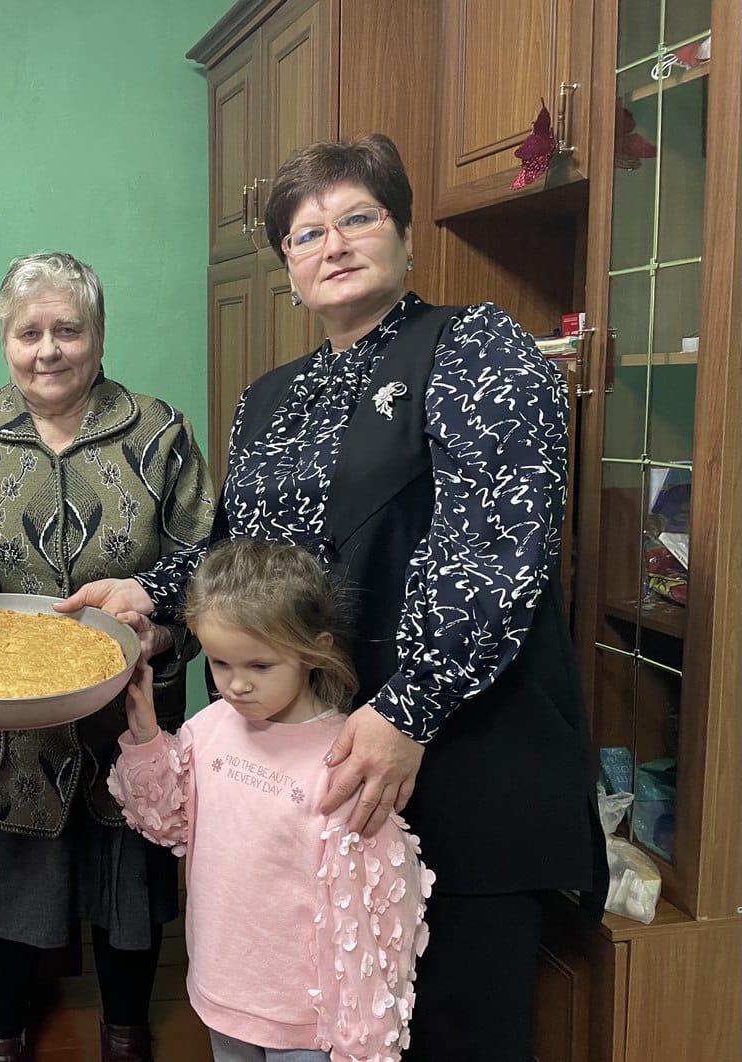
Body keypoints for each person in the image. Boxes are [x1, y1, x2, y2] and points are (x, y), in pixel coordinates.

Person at [60, 135, 606, 1062]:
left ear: (404, 236)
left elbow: (495, 551)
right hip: (316, 765)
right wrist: (151, 593)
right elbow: (242, 556)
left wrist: (408, 710)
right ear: (288, 267)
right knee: (325, 1017)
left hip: (454, 755)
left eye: (358, 218)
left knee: (453, 1029)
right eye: (306, 233)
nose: (334, 244)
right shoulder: (273, 397)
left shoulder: (477, 347)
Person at [0, 251, 215, 1062]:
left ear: (98, 335)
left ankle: (127, 1032)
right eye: (28, 333)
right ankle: (0, 1038)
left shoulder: (158, 431)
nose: (48, 350)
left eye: (68, 330)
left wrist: (166, 630)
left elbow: (208, 561)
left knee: (128, 881)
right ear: (4, 338)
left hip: (130, 710)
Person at [110, 539, 432, 1062]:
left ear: (313, 650)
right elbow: (168, 821)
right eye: (220, 663)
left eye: (260, 666)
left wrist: (362, 1035)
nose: (237, 685)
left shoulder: (346, 761)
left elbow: (377, 916)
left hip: (312, 1022)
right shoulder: (209, 728)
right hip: (222, 993)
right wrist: (146, 733)